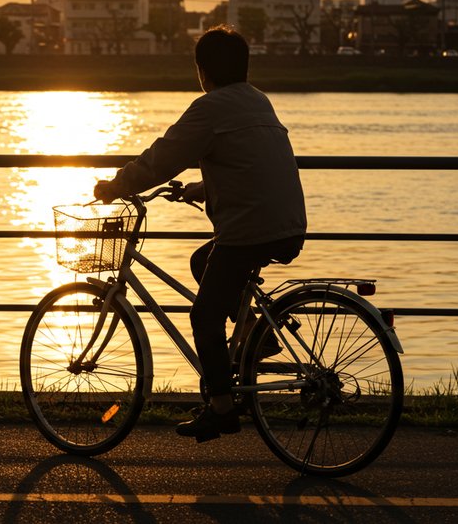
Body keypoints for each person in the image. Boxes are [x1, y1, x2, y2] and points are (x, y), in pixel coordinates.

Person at [93, 25, 307, 442]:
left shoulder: (210, 107)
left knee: (203, 317)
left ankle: (222, 408)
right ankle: (251, 334)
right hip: (286, 223)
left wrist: (116, 185)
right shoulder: (257, 100)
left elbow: (162, 157)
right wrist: (202, 188)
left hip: (248, 230)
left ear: (202, 71)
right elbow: (250, 164)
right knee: (200, 262)